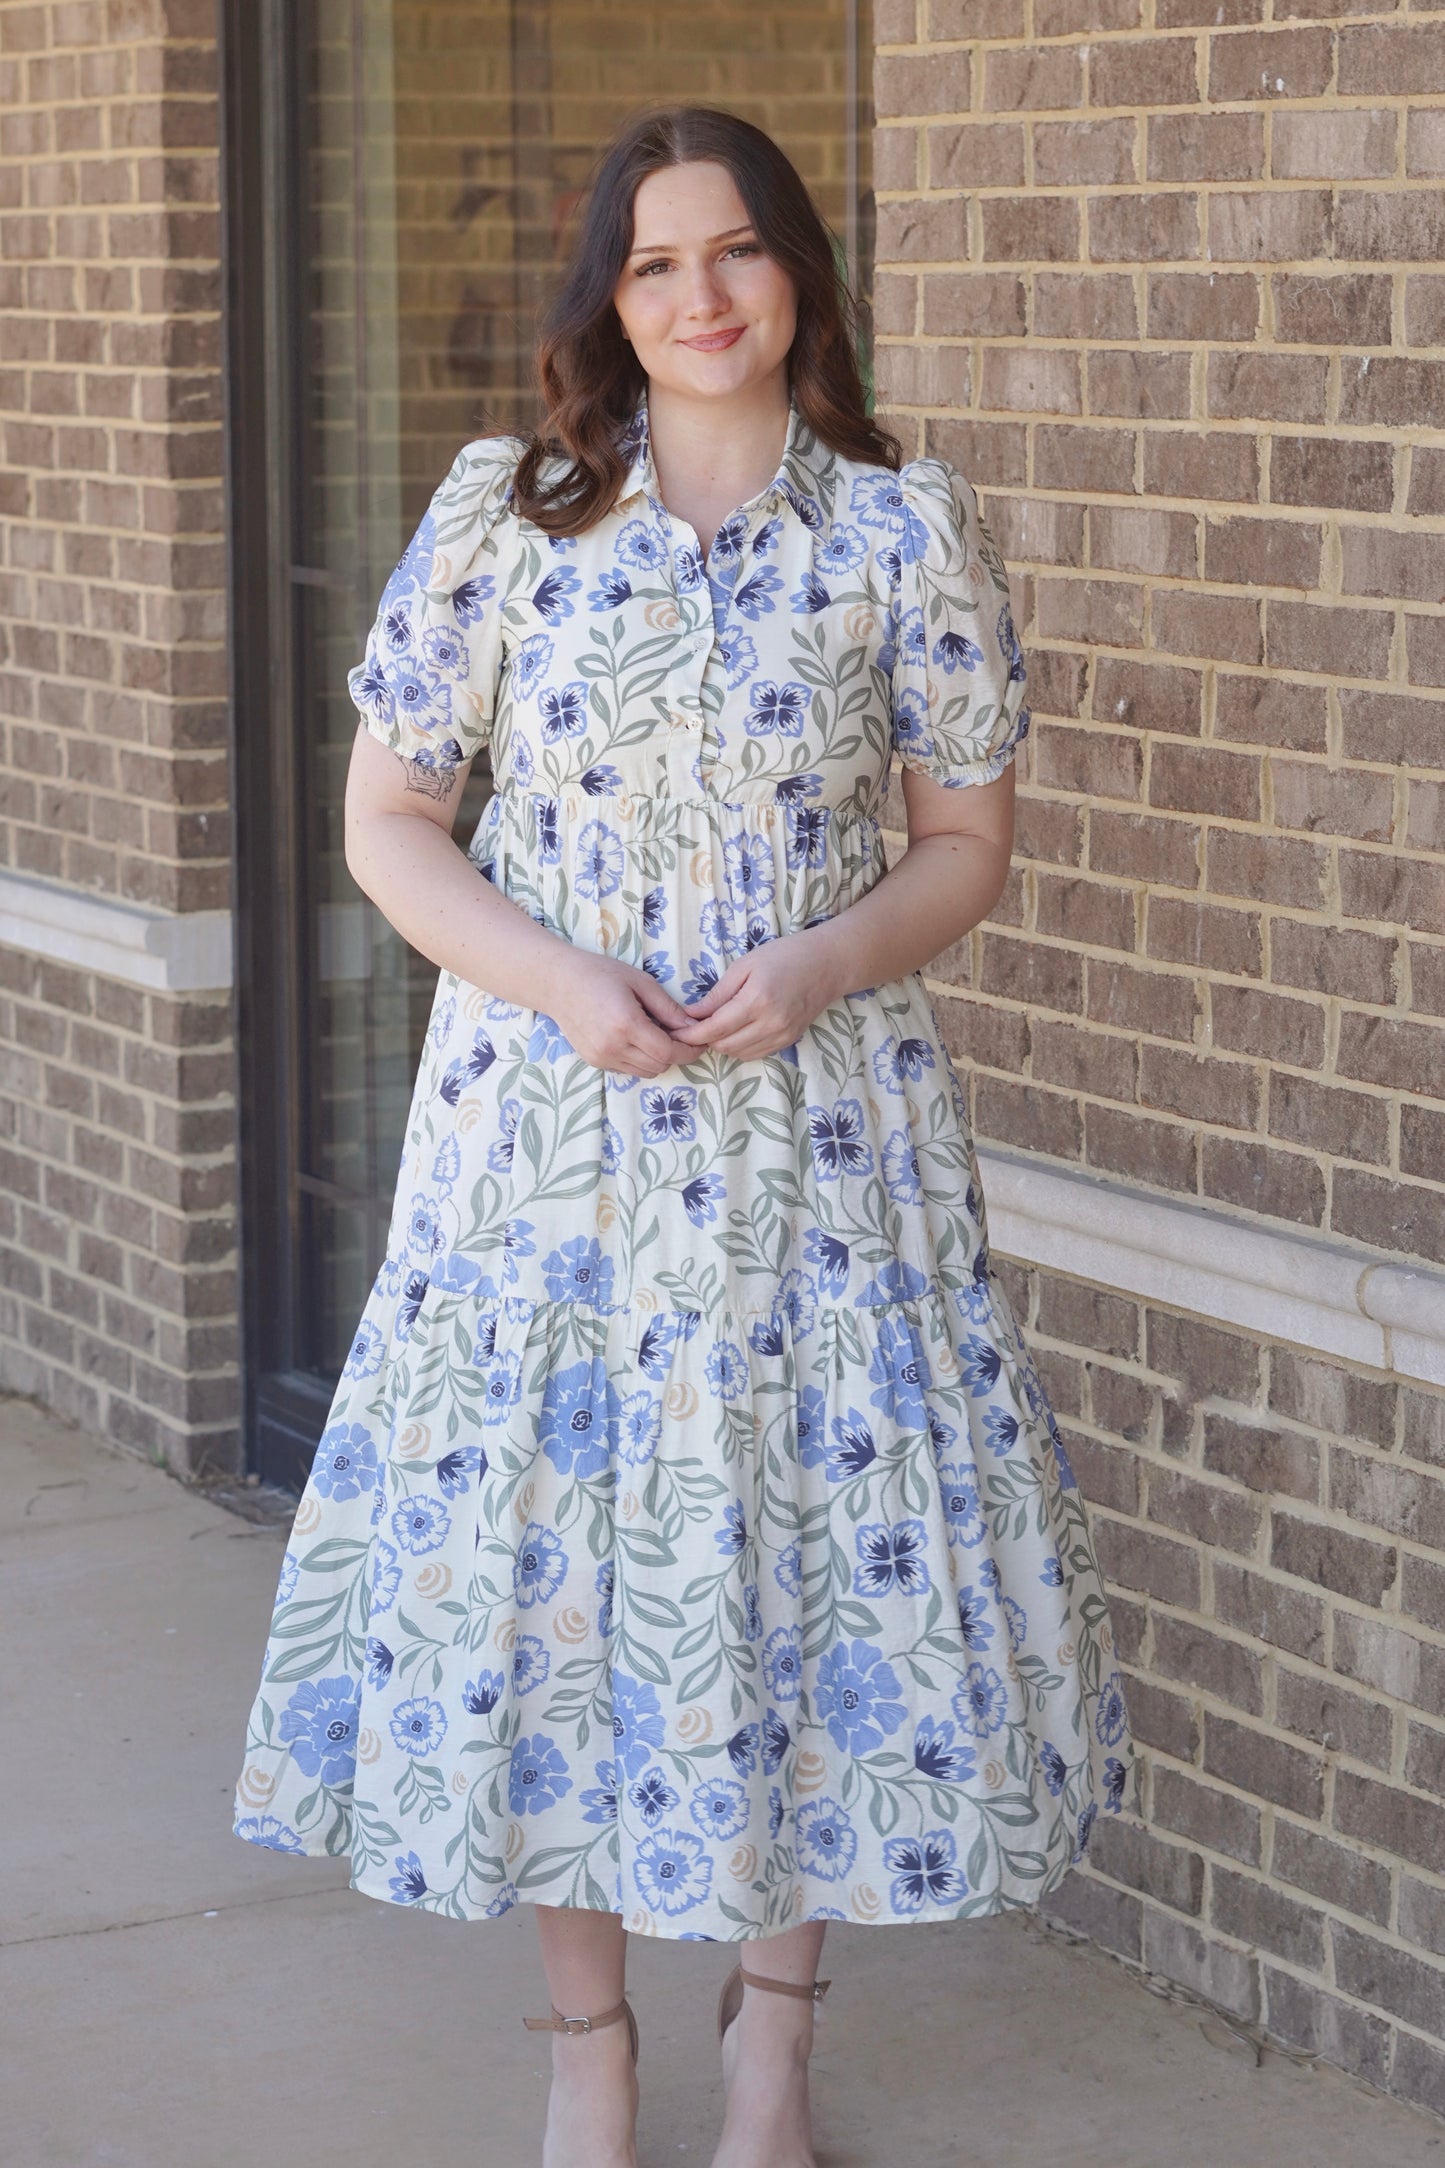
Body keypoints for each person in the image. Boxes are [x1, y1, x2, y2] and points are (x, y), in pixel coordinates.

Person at [233, 104, 1133, 2168]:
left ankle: (774, 2062)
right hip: (544, 1155)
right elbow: (389, 818)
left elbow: (968, 845)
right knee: (549, 1576)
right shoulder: (506, 513)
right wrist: (559, 981)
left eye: (734, 252)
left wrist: (822, 962)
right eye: (654, 266)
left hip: (820, 1148)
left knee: (804, 1567)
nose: (702, 296)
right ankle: (589, 2052)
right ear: (609, 305)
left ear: (794, 271)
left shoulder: (904, 530)